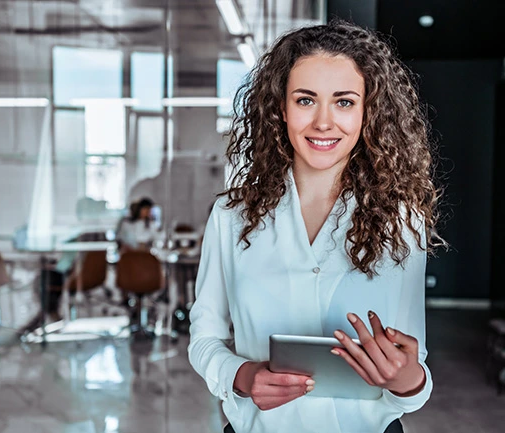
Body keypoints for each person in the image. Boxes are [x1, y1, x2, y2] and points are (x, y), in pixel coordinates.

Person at [187, 21, 444, 433]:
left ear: (367, 112)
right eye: (306, 100)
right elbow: (204, 339)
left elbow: (415, 379)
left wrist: (405, 378)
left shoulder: (401, 220)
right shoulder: (231, 216)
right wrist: (242, 376)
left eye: (344, 103)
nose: (324, 122)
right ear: (281, 109)